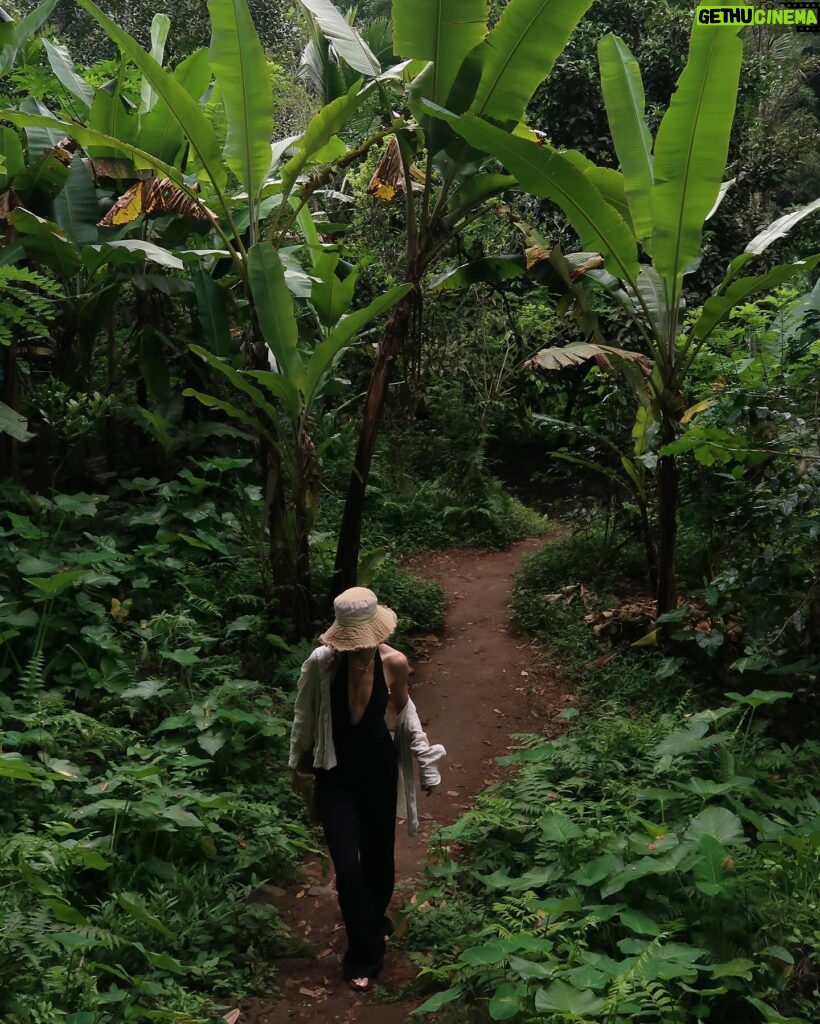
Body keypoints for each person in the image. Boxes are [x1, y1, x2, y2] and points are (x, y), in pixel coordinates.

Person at [288, 586, 446, 992]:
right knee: (347, 864)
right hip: (335, 776)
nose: (357, 651)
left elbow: (406, 714)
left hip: (378, 771)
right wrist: (296, 764)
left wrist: (426, 764)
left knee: (378, 860)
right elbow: (303, 717)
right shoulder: (321, 664)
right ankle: (365, 952)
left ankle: (373, 919)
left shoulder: (394, 662)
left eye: (363, 644)